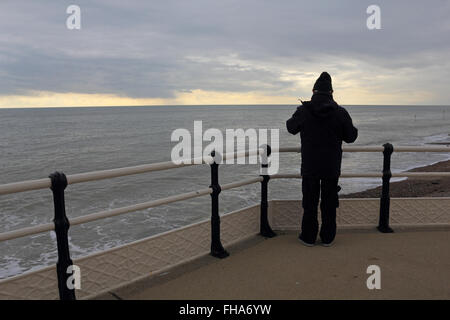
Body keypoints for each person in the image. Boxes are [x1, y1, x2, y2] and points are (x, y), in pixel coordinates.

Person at [286, 72, 358, 246]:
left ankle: (308, 237)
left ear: (313, 90)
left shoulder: (304, 110)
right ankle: (327, 237)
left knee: (309, 202)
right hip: (331, 165)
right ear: (331, 92)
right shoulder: (340, 112)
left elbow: (291, 127)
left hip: (310, 165)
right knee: (329, 203)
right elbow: (351, 137)